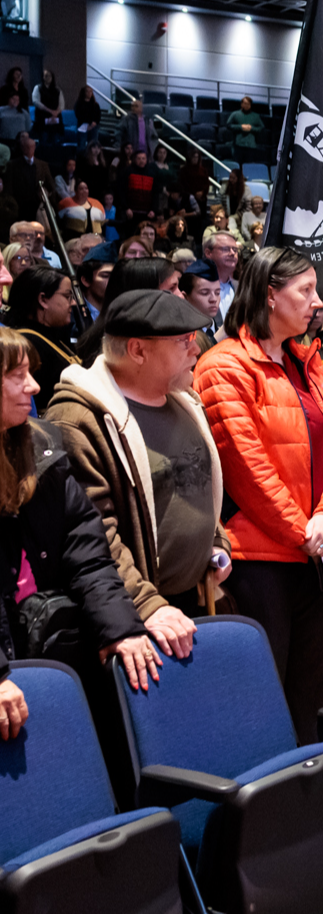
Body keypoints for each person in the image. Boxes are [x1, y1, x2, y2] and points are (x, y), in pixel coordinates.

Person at [195, 247, 323, 744]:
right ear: (269, 294)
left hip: (311, 553)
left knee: (312, 694)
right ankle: (260, 817)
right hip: (257, 560)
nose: (316, 300)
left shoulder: (303, 362)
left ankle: (308, 812)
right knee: (259, 703)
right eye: (304, 290)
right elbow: (247, 469)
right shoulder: (224, 365)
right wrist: (305, 532)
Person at [46, 290, 230, 658]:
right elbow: (95, 534)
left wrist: (216, 542)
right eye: (184, 341)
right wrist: (148, 604)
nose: (196, 351)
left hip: (195, 598)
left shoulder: (183, 400)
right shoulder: (80, 419)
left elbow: (195, 483)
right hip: (136, 620)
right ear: (138, 350)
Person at [0, 325, 164, 728]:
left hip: (54, 646)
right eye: (17, 376)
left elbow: (88, 555)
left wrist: (119, 630)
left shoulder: (42, 448)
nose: (34, 387)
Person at [7, 266, 78, 409]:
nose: (73, 303)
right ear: (43, 299)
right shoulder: (27, 343)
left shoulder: (52, 334)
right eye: (67, 296)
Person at [8, 133, 58, 223]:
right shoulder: (13, 165)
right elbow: (10, 187)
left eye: (32, 147)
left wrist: (49, 201)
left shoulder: (43, 165)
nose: (30, 149)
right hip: (20, 207)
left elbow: (51, 186)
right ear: (22, 148)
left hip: (38, 206)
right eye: (27, 147)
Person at [202, 229, 240, 326]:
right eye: (225, 249)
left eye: (235, 250)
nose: (232, 253)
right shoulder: (197, 289)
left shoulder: (241, 287)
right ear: (208, 253)